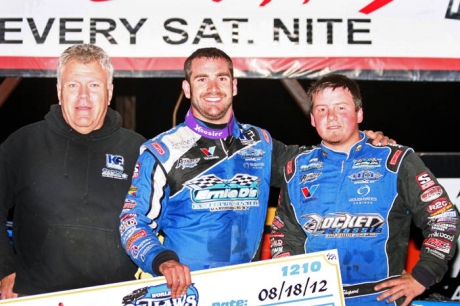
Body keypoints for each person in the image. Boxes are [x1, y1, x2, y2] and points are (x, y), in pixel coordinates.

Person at [118, 47, 392, 298]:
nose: (213, 88)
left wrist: (359, 140)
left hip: (247, 290)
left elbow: (316, 161)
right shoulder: (160, 150)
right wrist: (162, 260)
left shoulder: (260, 142)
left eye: (222, 79)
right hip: (183, 291)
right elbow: (132, 220)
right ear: (187, 88)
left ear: (234, 86)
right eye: (202, 79)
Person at [269, 73, 460, 306]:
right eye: (321, 110)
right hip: (317, 298)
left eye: (341, 108)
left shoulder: (396, 160)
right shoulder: (296, 167)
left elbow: (443, 218)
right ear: (312, 118)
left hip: (380, 299)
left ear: (359, 113)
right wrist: (291, 289)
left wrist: (423, 275)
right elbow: (284, 235)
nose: (331, 117)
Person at [0, 43, 146, 299]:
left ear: (109, 92)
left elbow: (157, 218)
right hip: (36, 296)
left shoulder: (137, 149)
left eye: (94, 85)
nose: (83, 97)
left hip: (115, 295)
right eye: (73, 85)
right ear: (59, 91)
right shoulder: (23, 144)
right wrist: (5, 271)